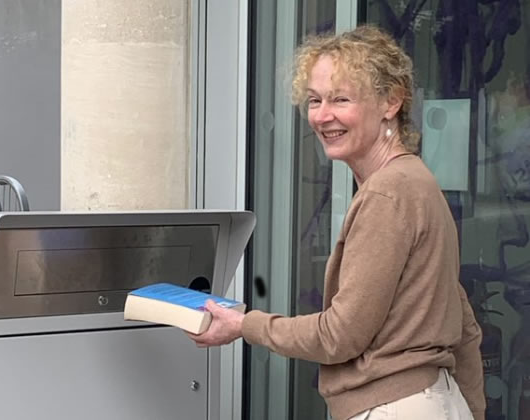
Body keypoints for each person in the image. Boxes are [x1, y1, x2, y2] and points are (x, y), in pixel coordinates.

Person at [188, 25, 486, 420]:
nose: (323, 116)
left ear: (391, 101)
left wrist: (246, 325)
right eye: (314, 100)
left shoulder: (387, 194)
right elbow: (464, 325)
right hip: (435, 402)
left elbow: (339, 336)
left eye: (341, 99)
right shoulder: (415, 182)